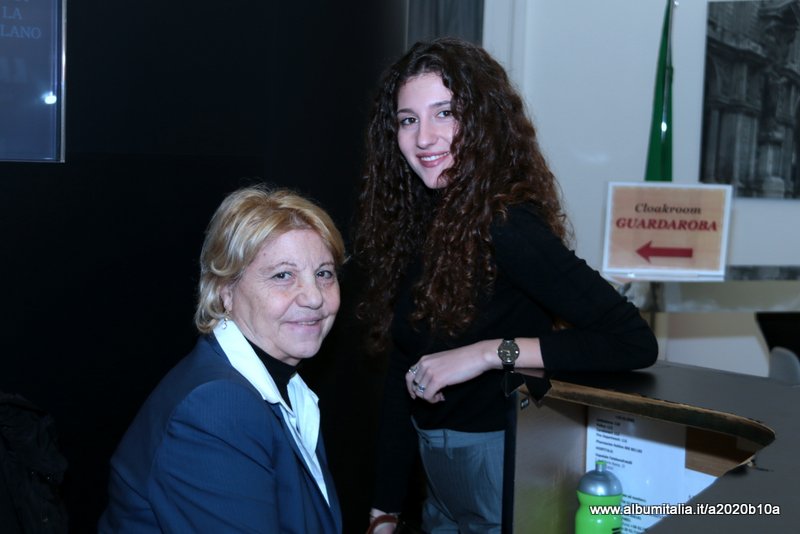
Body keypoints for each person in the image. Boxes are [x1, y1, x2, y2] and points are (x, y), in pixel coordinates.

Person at [355, 37, 659, 533]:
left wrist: (489, 353)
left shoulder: (507, 225)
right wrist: (384, 509)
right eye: (408, 120)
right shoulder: (418, 218)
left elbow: (631, 340)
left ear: (482, 122)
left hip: (497, 467)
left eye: (445, 113)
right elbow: (400, 370)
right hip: (436, 476)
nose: (424, 137)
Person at [99, 186, 345, 533]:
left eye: (324, 273)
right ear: (224, 291)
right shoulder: (216, 407)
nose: (314, 297)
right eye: (283, 275)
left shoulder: (282, 385)